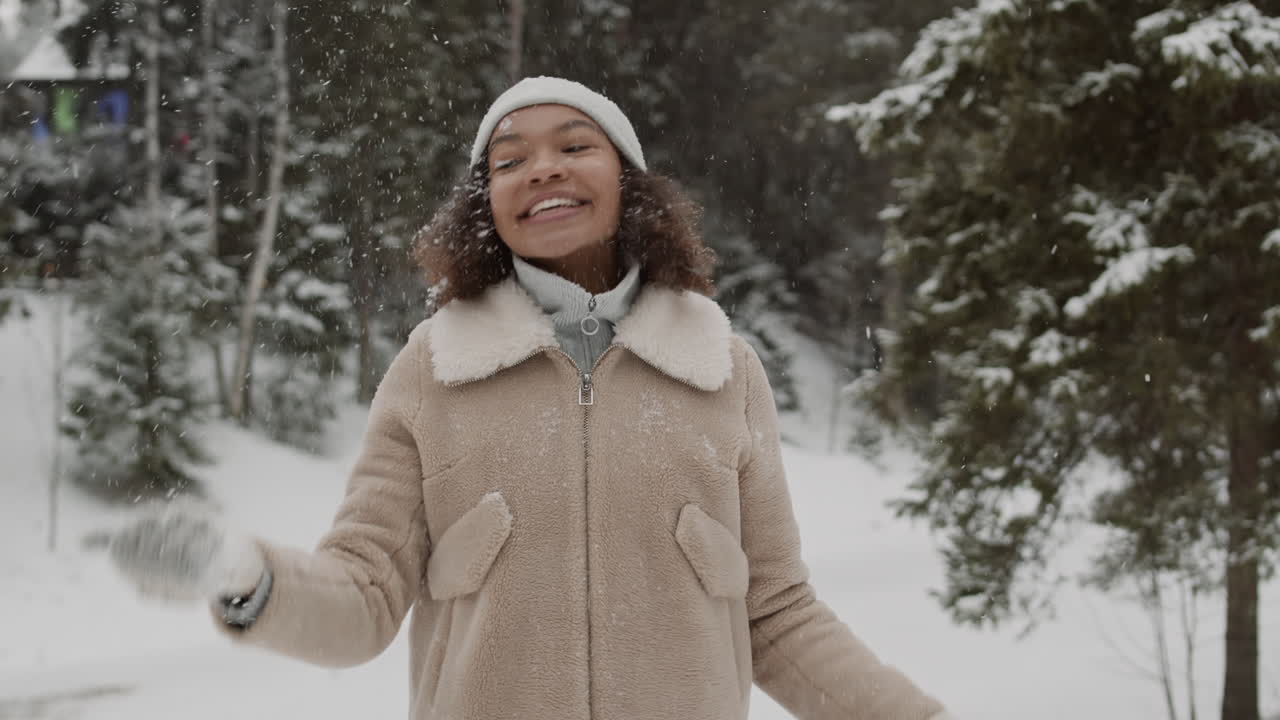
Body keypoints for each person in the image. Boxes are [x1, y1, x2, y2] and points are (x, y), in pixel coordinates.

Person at [109, 76, 955, 720]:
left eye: (574, 146)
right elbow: (364, 597)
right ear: (490, 207)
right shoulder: (432, 370)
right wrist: (246, 579)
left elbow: (776, 613)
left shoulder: (721, 369)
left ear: (629, 181)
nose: (541, 168)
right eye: (509, 161)